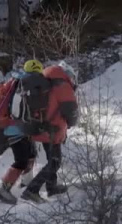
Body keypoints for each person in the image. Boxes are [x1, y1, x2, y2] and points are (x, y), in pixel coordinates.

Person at [0, 60, 78, 204]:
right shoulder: (53, 84)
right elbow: (69, 108)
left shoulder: (29, 83)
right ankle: (27, 189)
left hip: (23, 126)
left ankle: (47, 186)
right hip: (26, 128)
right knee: (46, 161)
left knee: (31, 157)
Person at [20, 61, 79, 203]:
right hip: (53, 129)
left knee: (51, 159)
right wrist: (71, 123)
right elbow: (71, 109)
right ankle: (31, 190)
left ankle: (51, 187)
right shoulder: (62, 84)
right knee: (54, 162)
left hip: (41, 127)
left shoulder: (44, 80)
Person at [0, 59, 44, 205]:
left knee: (31, 154)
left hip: (15, 126)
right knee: (21, 161)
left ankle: (26, 183)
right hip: (17, 128)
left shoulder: (16, 82)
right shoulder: (26, 84)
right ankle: (1, 189)